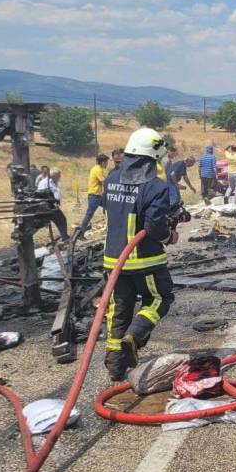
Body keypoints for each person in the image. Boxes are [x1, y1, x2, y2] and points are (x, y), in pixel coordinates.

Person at [101, 128, 178, 381]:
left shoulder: (111, 178)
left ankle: (115, 366)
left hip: (114, 260)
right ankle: (135, 334)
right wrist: (169, 236)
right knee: (159, 298)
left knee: (118, 308)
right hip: (145, 260)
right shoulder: (155, 186)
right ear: (151, 157)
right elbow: (154, 228)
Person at [75, 153, 109, 238]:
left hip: (98, 196)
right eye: (106, 162)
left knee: (110, 208)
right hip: (95, 196)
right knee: (89, 215)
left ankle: (110, 228)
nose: (107, 164)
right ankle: (80, 233)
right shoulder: (98, 170)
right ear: (102, 162)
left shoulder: (96, 168)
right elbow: (104, 182)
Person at [36, 167, 70, 241]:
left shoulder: (55, 182)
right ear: (54, 176)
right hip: (48, 206)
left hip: (54, 205)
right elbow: (41, 194)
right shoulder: (44, 183)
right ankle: (65, 237)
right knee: (62, 219)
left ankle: (64, 236)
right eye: (58, 176)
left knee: (61, 220)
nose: (59, 177)